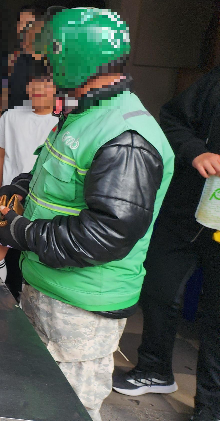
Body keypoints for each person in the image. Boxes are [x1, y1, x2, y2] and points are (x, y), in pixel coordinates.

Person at [0, 7, 174, 421]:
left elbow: (107, 233)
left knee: (65, 409)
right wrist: (21, 187)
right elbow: (64, 178)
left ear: (75, 56)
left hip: (80, 307)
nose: (45, 67)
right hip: (49, 288)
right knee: (31, 399)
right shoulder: (87, 112)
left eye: (51, 57)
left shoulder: (126, 137)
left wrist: (22, 233)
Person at [112, 67, 220, 421]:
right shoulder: (215, 81)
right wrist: (196, 152)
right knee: (159, 288)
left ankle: (210, 406)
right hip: (185, 211)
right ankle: (154, 368)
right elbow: (172, 119)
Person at [0, 57, 58, 282]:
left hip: (44, 202)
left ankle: (25, 300)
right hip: (9, 199)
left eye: (46, 84)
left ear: (58, 88)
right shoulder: (12, 116)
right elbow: (0, 157)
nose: (38, 89)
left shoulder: (63, 122)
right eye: (34, 83)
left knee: (37, 257)